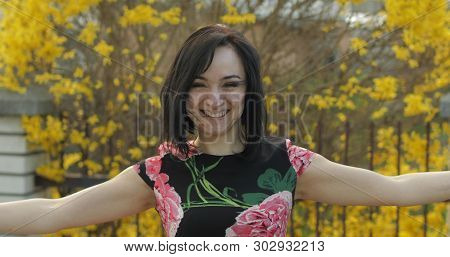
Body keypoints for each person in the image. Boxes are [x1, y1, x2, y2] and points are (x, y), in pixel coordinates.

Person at [0, 24, 449, 237]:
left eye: (230, 85)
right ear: (181, 93)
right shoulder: (161, 174)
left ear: (249, 90)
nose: (214, 99)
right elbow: (55, 211)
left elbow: (394, 187)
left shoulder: (289, 165)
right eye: (199, 85)